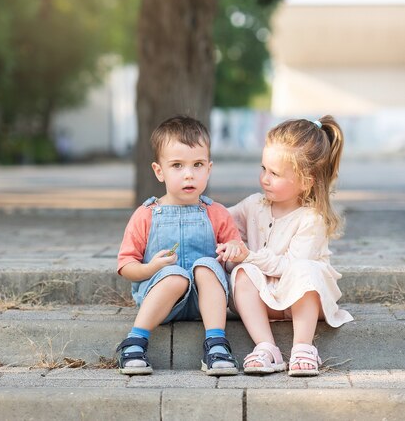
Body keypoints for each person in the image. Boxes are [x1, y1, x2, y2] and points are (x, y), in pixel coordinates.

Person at [216, 115, 353, 377]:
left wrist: (249, 255)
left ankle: (303, 347)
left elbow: (290, 267)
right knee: (242, 273)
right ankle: (266, 347)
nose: (265, 178)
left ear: (306, 181)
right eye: (263, 168)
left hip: (302, 301)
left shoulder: (311, 218)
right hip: (264, 300)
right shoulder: (253, 205)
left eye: (275, 173)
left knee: (305, 270)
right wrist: (231, 241)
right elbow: (221, 220)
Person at [116, 115, 240, 376]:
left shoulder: (217, 213)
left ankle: (216, 344)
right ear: (159, 171)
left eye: (197, 164)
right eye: (177, 165)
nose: (188, 174)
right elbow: (126, 265)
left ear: (209, 168)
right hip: (161, 298)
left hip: (205, 301)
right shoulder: (147, 214)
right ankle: (135, 342)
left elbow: (235, 257)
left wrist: (232, 254)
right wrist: (151, 268)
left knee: (207, 266)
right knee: (175, 275)